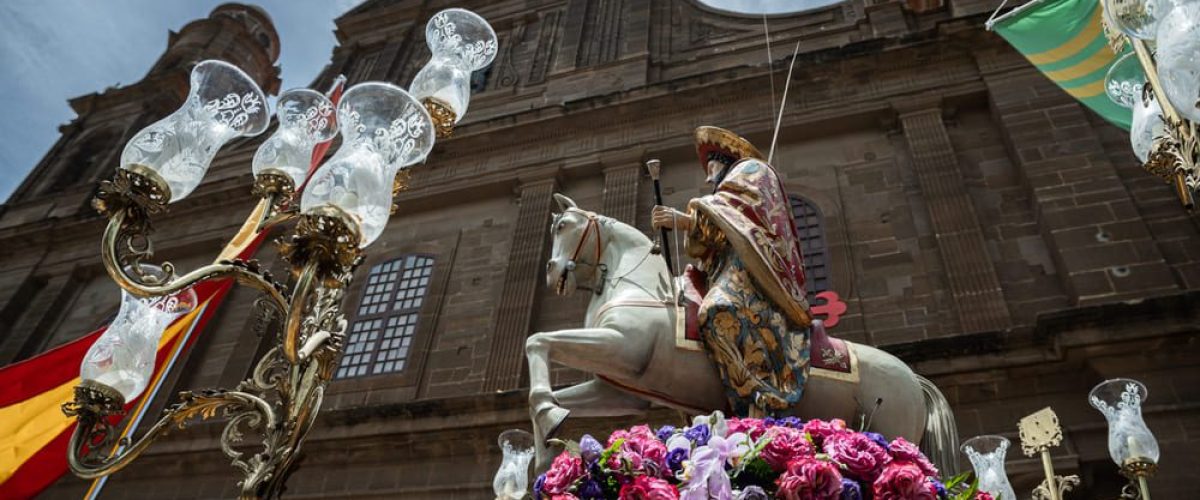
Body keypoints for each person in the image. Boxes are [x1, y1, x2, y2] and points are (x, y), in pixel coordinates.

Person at [651, 126, 812, 417]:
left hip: (751, 275)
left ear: (723, 159)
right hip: (725, 270)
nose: (707, 174)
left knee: (716, 311)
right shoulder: (726, 191)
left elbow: (738, 218)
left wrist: (684, 220)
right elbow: (717, 234)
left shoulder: (752, 171)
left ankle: (760, 397)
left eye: (710, 163)